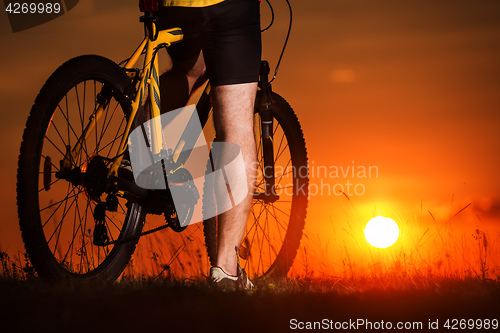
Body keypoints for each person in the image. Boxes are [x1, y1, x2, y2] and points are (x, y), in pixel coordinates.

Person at [155, 0, 261, 289]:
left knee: (187, 72)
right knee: (236, 124)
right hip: (228, 5)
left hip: (172, 4)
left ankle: (140, 153)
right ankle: (226, 269)